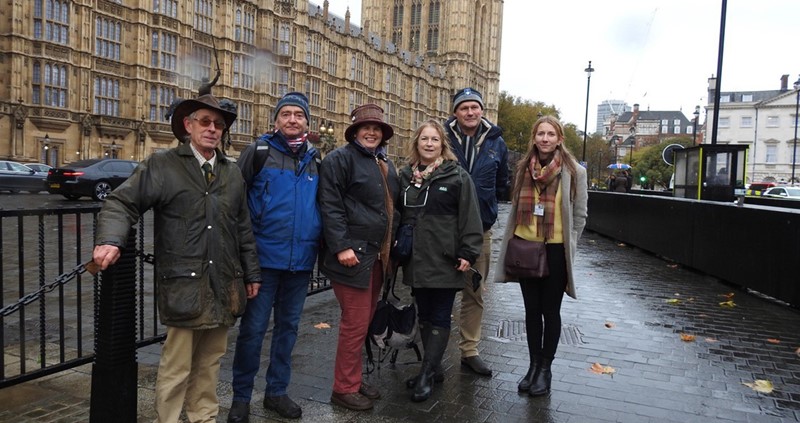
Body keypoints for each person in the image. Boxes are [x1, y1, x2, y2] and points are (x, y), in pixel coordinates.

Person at [91, 92, 261, 422]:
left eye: (219, 125)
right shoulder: (163, 165)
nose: (212, 129)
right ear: (188, 125)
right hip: (184, 285)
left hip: (224, 284)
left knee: (210, 363)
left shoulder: (231, 173)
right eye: (205, 122)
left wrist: (251, 274)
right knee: (176, 366)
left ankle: (203, 418)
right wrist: (111, 239)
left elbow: (243, 228)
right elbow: (121, 203)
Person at [227, 92, 322, 422]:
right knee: (252, 331)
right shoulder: (259, 152)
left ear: (307, 122)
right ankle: (241, 396)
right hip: (263, 262)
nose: (292, 120)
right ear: (276, 120)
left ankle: (276, 392)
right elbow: (234, 203)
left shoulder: (316, 159)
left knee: (288, 330)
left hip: (300, 263)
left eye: (299, 114)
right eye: (286, 114)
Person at [495, 115, 588, 397]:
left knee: (551, 311)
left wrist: (569, 245)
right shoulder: (524, 167)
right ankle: (533, 366)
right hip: (525, 247)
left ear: (560, 139)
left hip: (555, 250)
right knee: (531, 312)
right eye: (540, 134)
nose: (545, 139)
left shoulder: (574, 172)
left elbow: (581, 215)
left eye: (550, 134)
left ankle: (546, 369)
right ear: (534, 138)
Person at [318, 104, 400, 411]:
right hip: (353, 256)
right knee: (354, 324)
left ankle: (351, 378)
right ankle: (344, 388)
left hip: (377, 256)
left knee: (363, 322)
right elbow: (330, 204)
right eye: (366, 128)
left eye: (377, 129)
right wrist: (341, 246)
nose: (372, 132)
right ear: (354, 132)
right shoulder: (340, 159)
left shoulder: (382, 163)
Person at [398, 120, 483, 402]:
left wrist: (468, 252)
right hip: (417, 259)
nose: (430, 144)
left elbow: (470, 217)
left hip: (446, 259)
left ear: (442, 145)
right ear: (417, 143)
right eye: (425, 139)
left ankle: (426, 373)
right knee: (424, 313)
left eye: (435, 139)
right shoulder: (406, 176)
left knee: (439, 314)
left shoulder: (457, 177)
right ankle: (432, 368)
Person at [444, 87, 509, 377]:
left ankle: (469, 351)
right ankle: (433, 354)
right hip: (443, 230)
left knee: (474, 292)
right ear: (455, 112)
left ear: (482, 110)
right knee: (437, 292)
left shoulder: (497, 143)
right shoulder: (442, 137)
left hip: (480, 230)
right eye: (464, 108)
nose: (470, 112)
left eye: (474, 107)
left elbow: (502, 184)